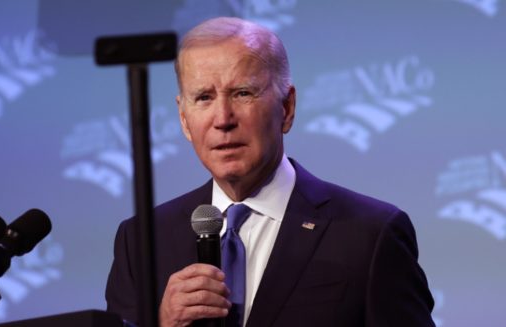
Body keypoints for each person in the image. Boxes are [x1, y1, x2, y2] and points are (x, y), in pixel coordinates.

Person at [106, 16, 435, 327]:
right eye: (204, 97)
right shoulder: (141, 241)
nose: (223, 119)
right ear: (183, 119)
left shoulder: (370, 233)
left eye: (243, 93)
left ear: (287, 108)